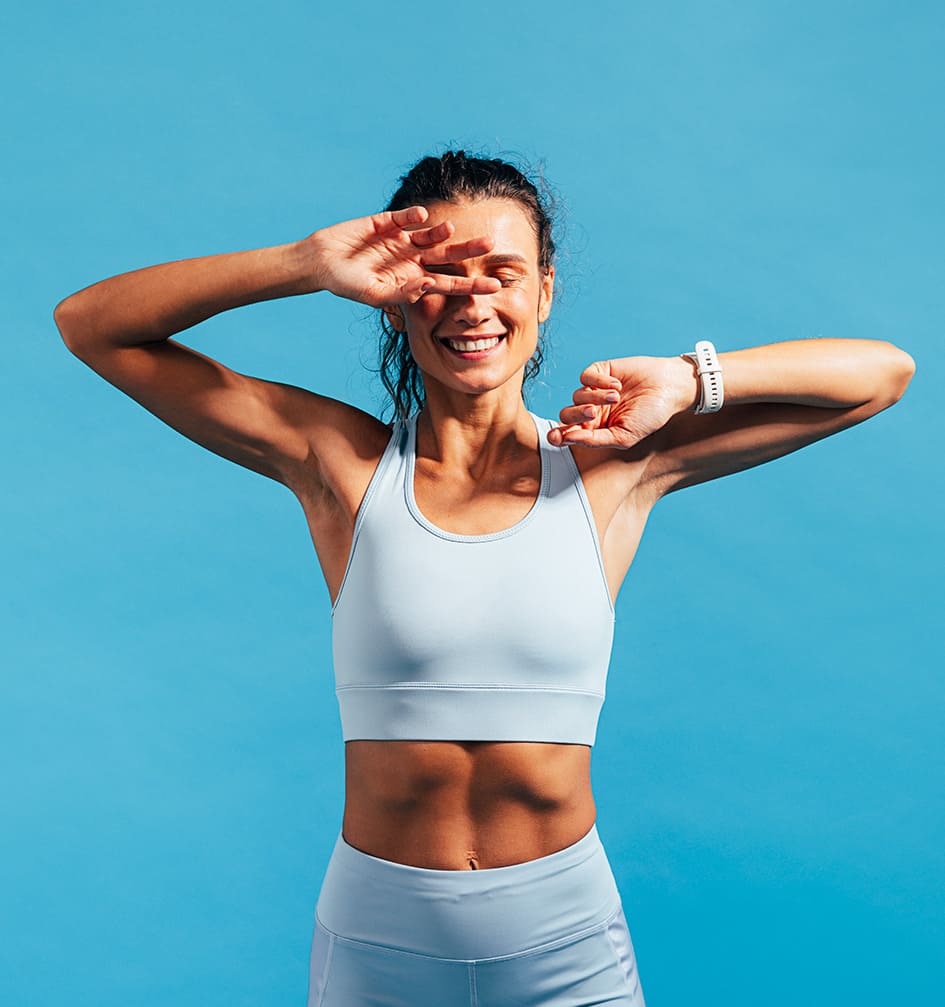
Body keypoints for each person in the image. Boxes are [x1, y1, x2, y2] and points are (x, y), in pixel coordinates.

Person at [55, 150, 914, 1006]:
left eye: (502, 274)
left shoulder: (612, 465)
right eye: (440, 275)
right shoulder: (339, 462)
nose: (474, 302)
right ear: (394, 296)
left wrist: (692, 380)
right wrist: (303, 264)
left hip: (565, 940)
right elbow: (91, 324)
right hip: (376, 940)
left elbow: (880, 375)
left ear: (543, 292)